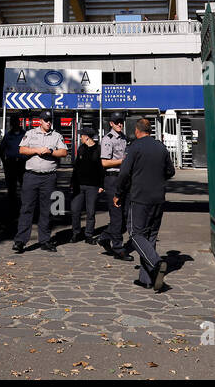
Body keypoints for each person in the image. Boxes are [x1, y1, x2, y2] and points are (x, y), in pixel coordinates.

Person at [114, 117, 175, 290]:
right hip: (158, 198)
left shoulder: (135, 147)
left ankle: (156, 262)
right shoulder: (161, 147)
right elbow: (170, 171)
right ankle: (146, 279)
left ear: (137, 131)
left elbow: (124, 173)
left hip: (140, 197)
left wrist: (118, 193)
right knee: (150, 237)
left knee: (135, 234)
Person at [12, 112, 68, 252]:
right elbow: (22, 149)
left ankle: (45, 240)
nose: (49, 123)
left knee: (47, 210)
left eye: (50, 120)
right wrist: (37, 150)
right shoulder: (30, 134)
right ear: (40, 121)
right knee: (26, 208)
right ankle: (20, 241)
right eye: (46, 120)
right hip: (31, 176)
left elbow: (63, 152)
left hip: (49, 177)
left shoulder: (56, 135)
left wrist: (50, 152)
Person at [97, 112, 130, 255]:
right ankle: (118, 247)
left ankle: (104, 237)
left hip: (124, 178)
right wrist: (122, 162)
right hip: (112, 178)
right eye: (116, 122)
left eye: (121, 121)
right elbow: (104, 162)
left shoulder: (124, 138)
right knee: (116, 214)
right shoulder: (107, 139)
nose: (119, 124)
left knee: (126, 214)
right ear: (111, 123)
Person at [69, 125, 104, 243]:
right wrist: (72, 182)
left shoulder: (98, 149)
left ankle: (88, 235)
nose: (80, 138)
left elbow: (101, 168)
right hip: (79, 185)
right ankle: (76, 233)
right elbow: (76, 167)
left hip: (93, 186)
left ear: (87, 137)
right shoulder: (81, 148)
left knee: (90, 212)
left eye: (82, 136)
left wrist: (101, 185)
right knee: (75, 210)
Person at [0, 118, 25, 215]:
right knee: (11, 187)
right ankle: (12, 208)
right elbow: (1, 150)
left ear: (19, 123)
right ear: (12, 125)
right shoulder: (8, 136)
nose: (15, 125)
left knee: (24, 186)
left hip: (22, 164)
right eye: (14, 123)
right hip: (10, 164)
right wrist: (4, 162)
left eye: (17, 123)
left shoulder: (25, 134)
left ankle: (24, 207)